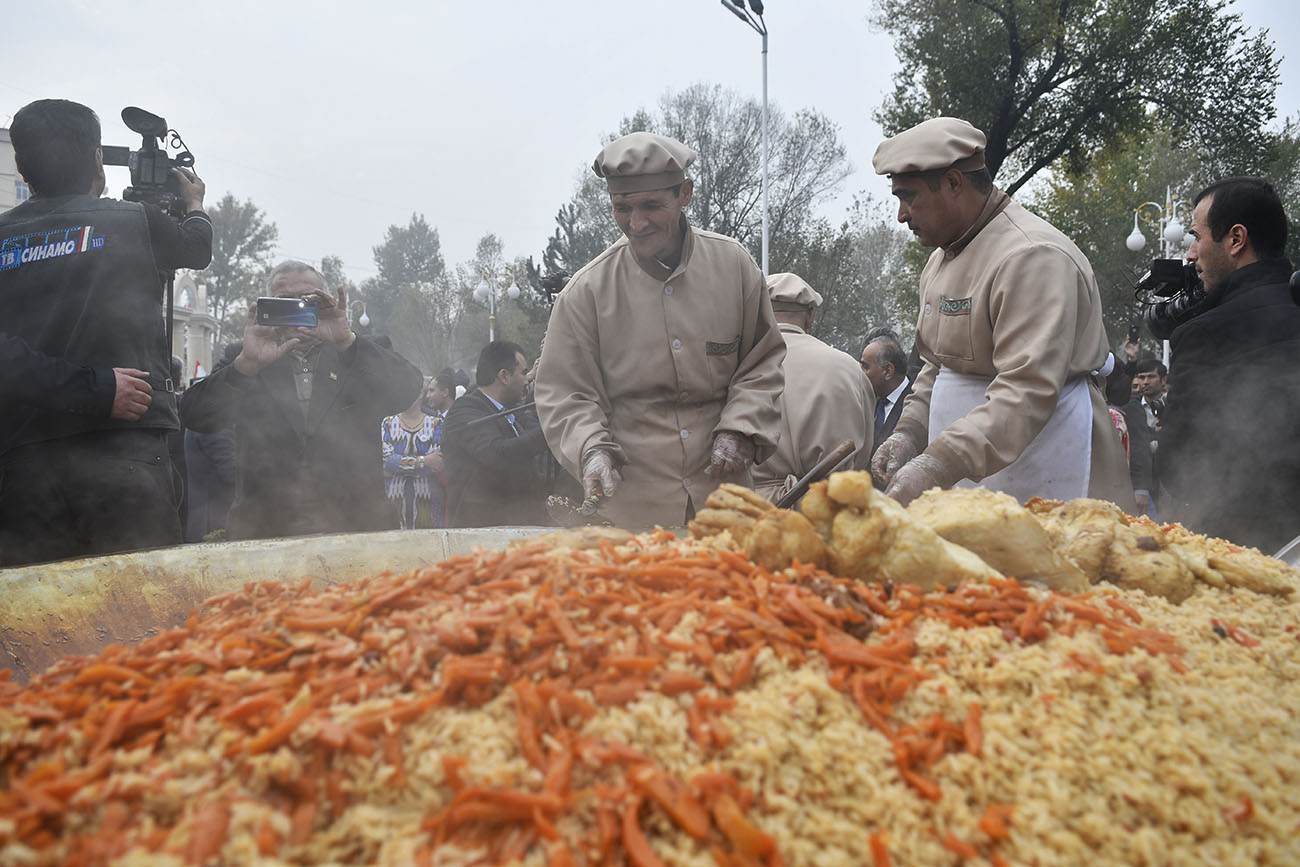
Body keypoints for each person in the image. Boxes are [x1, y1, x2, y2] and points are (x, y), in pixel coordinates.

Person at [869, 117, 1131, 509]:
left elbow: (1027, 390)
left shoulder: (1031, 256)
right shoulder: (941, 259)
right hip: (963, 466)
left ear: (955, 183)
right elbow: (935, 365)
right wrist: (909, 431)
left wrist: (938, 463)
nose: (901, 215)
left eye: (909, 198)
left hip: (1047, 453)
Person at [535, 131, 786, 528]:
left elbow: (763, 363)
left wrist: (741, 429)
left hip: (724, 502)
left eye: (652, 206)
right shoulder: (585, 293)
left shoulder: (734, 267)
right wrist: (591, 450)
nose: (636, 223)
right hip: (633, 512)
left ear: (685, 194)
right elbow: (566, 394)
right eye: (622, 208)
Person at [0, 99, 212, 566]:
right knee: (143, 610)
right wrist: (193, 204)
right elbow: (197, 247)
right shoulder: (132, 221)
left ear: (20, 163)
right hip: (125, 455)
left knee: (36, 621)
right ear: (97, 158)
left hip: (23, 464)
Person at [181, 261, 422, 540]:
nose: (297, 309)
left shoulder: (357, 352)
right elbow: (196, 416)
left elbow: (408, 388)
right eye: (285, 301)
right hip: (265, 529)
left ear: (326, 302)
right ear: (268, 305)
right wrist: (245, 366)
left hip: (356, 526)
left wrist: (346, 341)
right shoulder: (248, 356)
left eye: (308, 300)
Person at [1159, 177, 1300, 551]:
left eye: (1196, 236)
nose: (1190, 254)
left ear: (1236, 239)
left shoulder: (1203, 333)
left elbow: (1178, 466)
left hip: (1244, 552)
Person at [752, 272, 872, 501]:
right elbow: (863, 451)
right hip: (828, 511)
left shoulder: (738, 365)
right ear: (810, 317)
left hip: (752, 511)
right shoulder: (848, 368)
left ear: (761, 314)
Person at [441, 341, 550, 527]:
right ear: (504, 376)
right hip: (479, 537)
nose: (527, 380)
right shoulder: (466, 409)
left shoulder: (505, 413)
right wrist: (554, 430)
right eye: (524, 373)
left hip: (514, 532)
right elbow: (497, 453)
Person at [382, 381, 443, 530]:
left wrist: (397, 465)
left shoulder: (437, 424)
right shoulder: (387, 423)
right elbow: (387, 462)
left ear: (420, 392)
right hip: (394, 505)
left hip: (428, 505)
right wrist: (424, 460)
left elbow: (436, 465)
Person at [859, 335, 913, 457]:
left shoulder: (918, 406)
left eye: (865, 367)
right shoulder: (867, 399)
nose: (860, 372)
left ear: (888, 371)